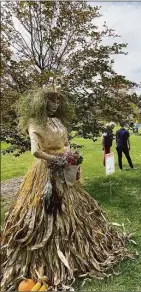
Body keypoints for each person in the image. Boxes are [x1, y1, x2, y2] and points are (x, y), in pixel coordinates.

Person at [0, 84, 130, 290]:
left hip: (65, 168)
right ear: (41, 103)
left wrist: (70, 156)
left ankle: (80, 249)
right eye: (51, 101)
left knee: (73, 207)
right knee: (46, 208)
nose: (54, 105)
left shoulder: (59, 122)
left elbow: (67, 143)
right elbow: (35, 151)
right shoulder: (34, 123)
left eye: (57, 101)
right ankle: (46, 254)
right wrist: (56, 159)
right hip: (45, 171)